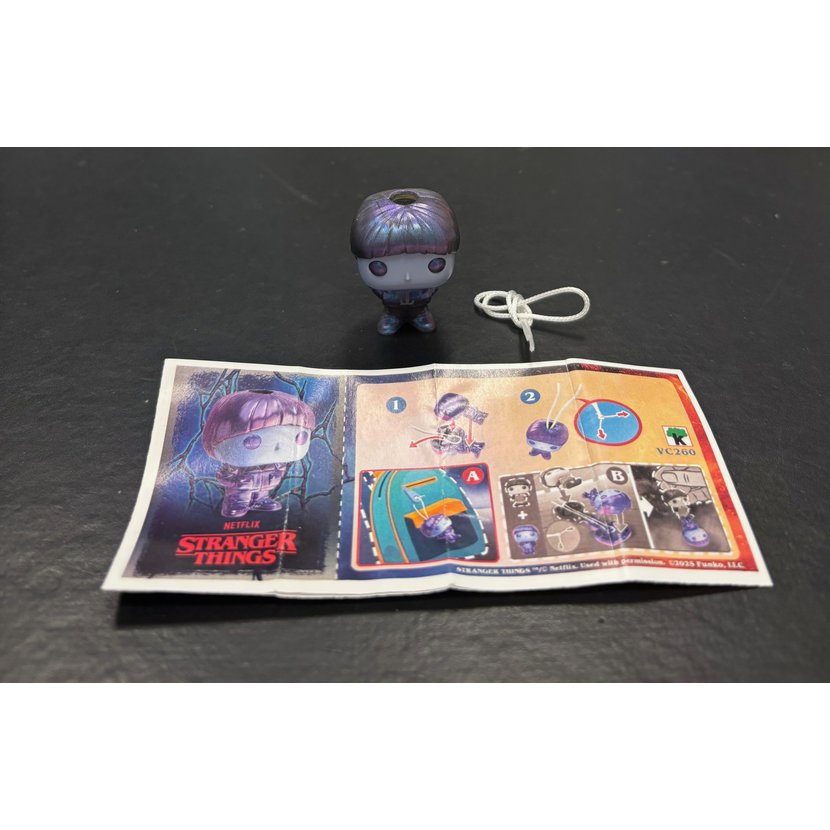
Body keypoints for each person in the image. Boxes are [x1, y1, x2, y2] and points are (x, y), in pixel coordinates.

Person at [350, 188, 460, 334]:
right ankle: (392, 317)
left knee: (420, 312)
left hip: (420, 305)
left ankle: (419, 316)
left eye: (435, 264)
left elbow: (433, 289)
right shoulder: (385, 289)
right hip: (392, 306)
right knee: (392, 314)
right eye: (379, 267)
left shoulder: (426, 288)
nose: (407, 277)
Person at [201, 389, 316, 518]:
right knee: (239, 497)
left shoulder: (276, 463)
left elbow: (279, 470)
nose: (277, 446)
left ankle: (260, 500)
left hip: (264, 485)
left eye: (300, 437)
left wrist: (276, 475)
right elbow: (223, 475)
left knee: (262, 493)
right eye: (252, 441)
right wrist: (236, 481)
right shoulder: (235, 464)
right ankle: (236, 504)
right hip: (240, 490)